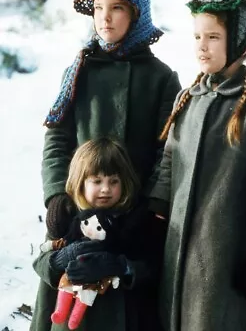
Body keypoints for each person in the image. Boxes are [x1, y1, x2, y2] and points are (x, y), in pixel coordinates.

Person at [31, 0, 181, 331]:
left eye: (116, 8)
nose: (105, 18)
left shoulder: (162, 78)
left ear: (136, 12)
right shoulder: (79, 70)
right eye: (99, 8)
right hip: (79, 208)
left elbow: (169, 150)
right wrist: (56, 198)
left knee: (127, 302)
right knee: (67, 287)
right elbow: (56, 139)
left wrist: (150, 207)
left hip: (134, 217)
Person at [146, 0, 246, 331]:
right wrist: (156, 219)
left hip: (234, 249)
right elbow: (169, 160)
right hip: (182, 246)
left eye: (213, 37)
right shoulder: (187, 98)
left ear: (238, 42)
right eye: (197, 37)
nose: (202, 46)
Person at [32, 137, 165, 331]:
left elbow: (150, 267)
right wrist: (63, 258)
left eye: (113, 181)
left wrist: (119, 266)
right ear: (81, 182)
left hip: (122, 318)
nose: (105, 189)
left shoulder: (135, 220)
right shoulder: (69, 217)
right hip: (75, 322)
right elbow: (41, 262)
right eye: (97, 181)